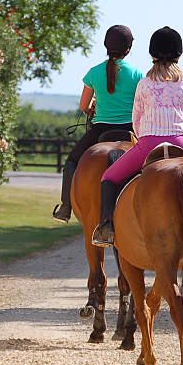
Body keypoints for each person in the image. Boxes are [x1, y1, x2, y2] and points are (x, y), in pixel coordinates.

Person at [91, 26, 183, 246]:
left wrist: (146, 138)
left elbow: (137, 119)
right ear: (179, 54)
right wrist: (177, 135)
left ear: (152, 54)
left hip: (148, 143)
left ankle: (106, 227)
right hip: (180, 141)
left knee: (109, 178)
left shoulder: (144, 84)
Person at [52, 25, 144, 222]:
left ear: (106, 46)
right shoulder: (137, 74)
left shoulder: (94, 72)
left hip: (101, 129)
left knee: (71, 161)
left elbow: (83, 105)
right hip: (130, 130)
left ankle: (66, 207)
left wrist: (93, 107)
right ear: (128, 49)